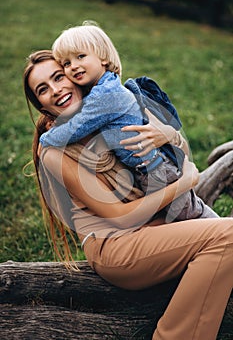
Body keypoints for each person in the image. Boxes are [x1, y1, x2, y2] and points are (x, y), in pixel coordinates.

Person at [24, 50, 233, 340]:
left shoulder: (111, 109)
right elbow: (120, 216)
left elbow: (177, 151)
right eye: (43, 89)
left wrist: (166, 135)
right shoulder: (54, 151)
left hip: (155, 228)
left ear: (75, 76)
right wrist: (186, 182)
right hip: (116, 246)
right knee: (230, 234)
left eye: (58, 77)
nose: (56, 90)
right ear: (41, 106)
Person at [39, 22, 218, 222]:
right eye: (66, 63)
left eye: (80, 57)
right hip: (149, 168)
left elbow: (76, 127)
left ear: (103, 58)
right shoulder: (105, 88)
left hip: (154, 170)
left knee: (191, 217)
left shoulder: (106, 96)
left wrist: (46, 139)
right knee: (192, 214)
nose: (73, 66)